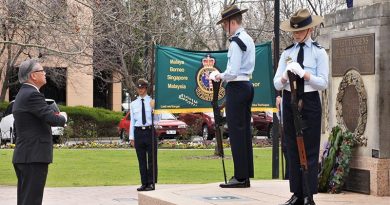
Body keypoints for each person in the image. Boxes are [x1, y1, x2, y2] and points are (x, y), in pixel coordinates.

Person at [273, 8, 329, 205]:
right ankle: (296, 193)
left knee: (310, 148)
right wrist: (284, 77)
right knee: (291, 148)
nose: (296, 35)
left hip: (310, 101)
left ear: (309, 30)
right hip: (290, 99)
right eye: (294, 32)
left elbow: (323, 83)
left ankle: (308, 194)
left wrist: (305, 74)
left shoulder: (319, 53)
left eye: (299, 31)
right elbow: (276, 84)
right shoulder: (288, 53)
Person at [210, 3, 255, 188]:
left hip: (236, 86)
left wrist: (219, 75)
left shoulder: (236, 42)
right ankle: (245, 175)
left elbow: (233, 71)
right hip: (246, 85)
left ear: (231, 22)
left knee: (236, 132)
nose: (224, 28)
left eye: (224, 24)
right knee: (244, 131)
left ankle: (239, 176)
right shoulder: (247, 38)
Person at [12, 59, 67, 205]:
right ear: (33, 76)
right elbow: (51, 118)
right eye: (41, 71)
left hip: (26, 155)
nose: (45, 73)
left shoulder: (22, 95)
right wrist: (63, 118)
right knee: (32, 200)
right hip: (33, 156)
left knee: (26, 199)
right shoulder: (32, 95)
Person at [129, 78, 157, 191]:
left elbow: (157, 119)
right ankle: (144, 183)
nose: (140, 90)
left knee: (151, 159)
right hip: (139, 132)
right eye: (139, 88)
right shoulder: (133, 104)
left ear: (146, 88)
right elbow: (132, 121)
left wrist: (154, 109)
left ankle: (151, 183)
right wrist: (131, 137)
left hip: (150, 131)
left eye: (142, 88)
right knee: (141, 159)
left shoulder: (152, 101)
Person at [276, 95, 289, 180]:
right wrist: (278, 107)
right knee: (287, 154)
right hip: (285, 127)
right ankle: (288, 177)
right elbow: (281, 117)